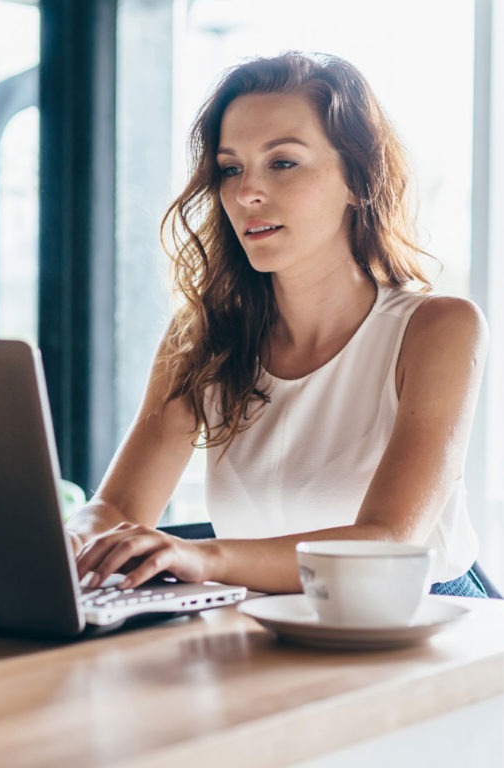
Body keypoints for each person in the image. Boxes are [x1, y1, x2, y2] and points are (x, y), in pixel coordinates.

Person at [68, 51, 490, 598]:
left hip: (423, 621)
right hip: (265, 614)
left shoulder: (439, 327)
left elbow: (387, 543)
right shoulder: (201, 337)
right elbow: (117, 508)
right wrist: (64, 541)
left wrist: (204, 557)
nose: (246, 194)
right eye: (230, 168)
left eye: (283, 163)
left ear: (358, 180)